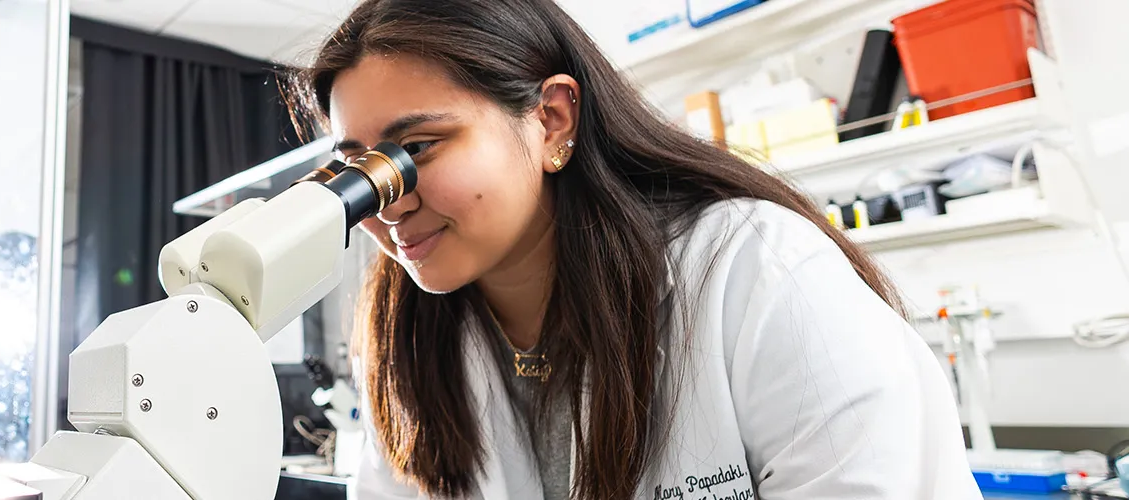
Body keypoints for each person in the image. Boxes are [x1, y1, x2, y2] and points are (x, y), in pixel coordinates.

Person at [282, 1, 981, 499]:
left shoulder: (755, 273)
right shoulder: (408, 338)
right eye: (359, 169)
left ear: (551, 120)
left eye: (418, 149)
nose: (387, 200)